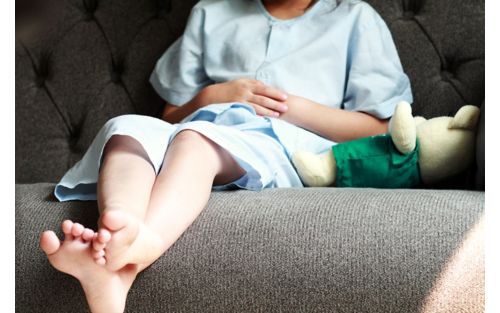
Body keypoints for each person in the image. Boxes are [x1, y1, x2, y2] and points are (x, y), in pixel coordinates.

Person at [39, 0, 413, 312]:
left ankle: (141, 244)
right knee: (127, 129)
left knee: (195, 140)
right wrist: (211, 96)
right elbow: (170, 115)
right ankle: (118, 234)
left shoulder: (355, 18)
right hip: (204, 120)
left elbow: (380, 127)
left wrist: (293, 107)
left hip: (285, 143)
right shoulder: (211, 12)